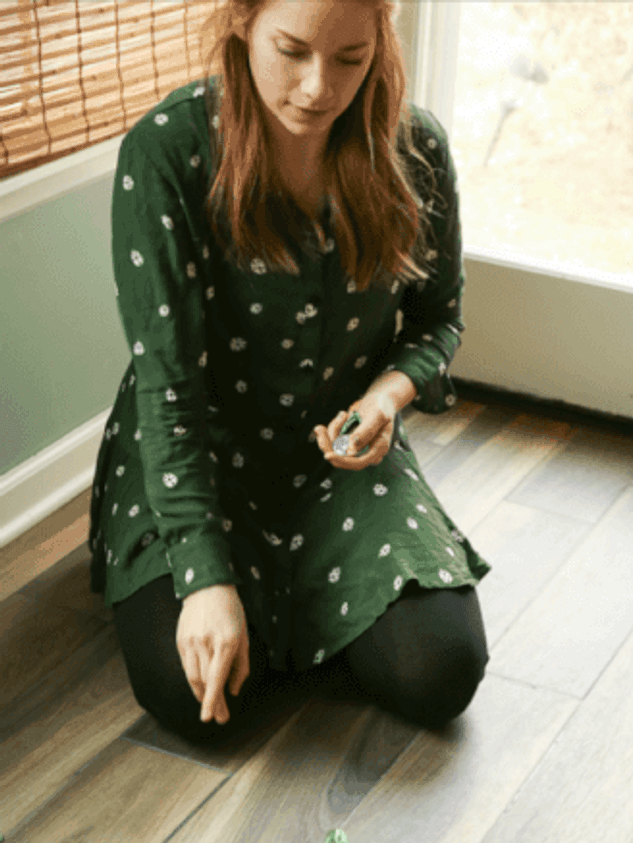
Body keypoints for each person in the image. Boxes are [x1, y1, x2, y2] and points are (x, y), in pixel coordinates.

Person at [88, 0, 492, 747]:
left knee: (442, 671)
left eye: (350, 58)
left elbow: (439, 322)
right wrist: (207, 583)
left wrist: (386, 397)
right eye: (292, 50)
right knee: (193, 700)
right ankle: (284, 605)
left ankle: (290, 606)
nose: (317, 88)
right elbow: (168, 389)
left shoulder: (416, 148)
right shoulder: (166, 152)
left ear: (381, 38)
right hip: (194, 451)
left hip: (337, 456)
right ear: (241, 20)